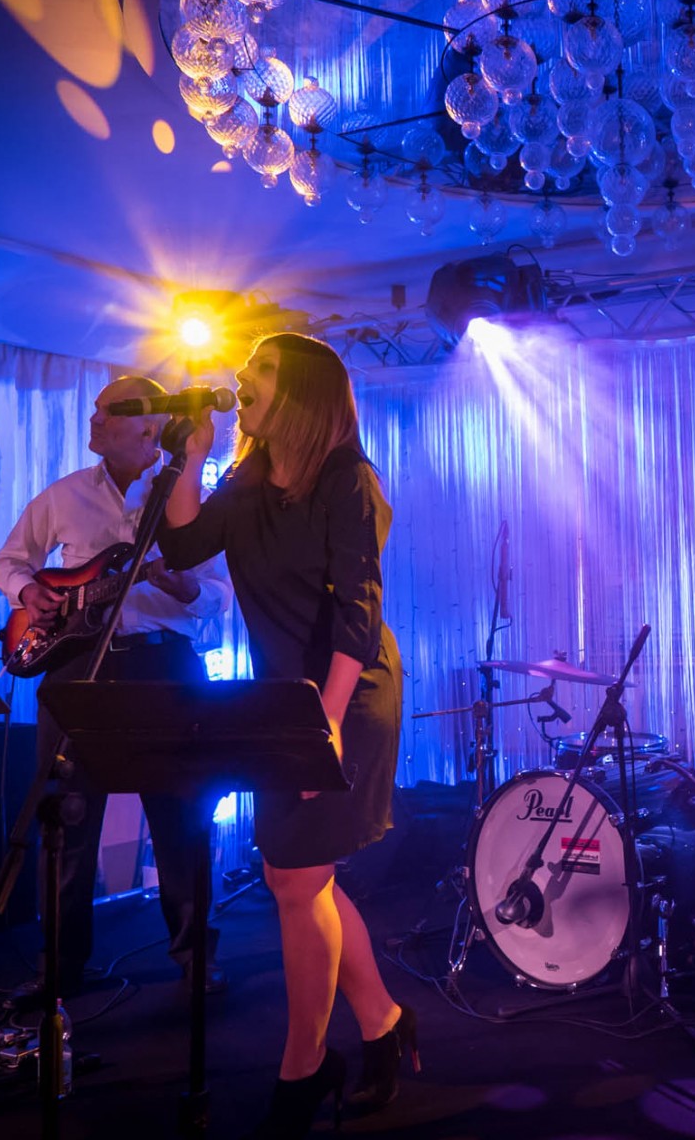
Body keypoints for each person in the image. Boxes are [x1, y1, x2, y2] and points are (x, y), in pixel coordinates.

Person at [159, 333, 412, 1136]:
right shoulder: (247, 480)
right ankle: (382, 1024)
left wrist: (325, 723)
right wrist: (191, 456)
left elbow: (357, 613)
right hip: (286, 694)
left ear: (302, 392)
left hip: (347, 692)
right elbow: (181, 544)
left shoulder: (347, 479)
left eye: (261, 370)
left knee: (298, 881)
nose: (242, 378)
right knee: (297, 879)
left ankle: (303, 1068)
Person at [0, 375, 232, 999]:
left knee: (180, 815)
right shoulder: (65, 493)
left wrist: (184, 587)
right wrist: (30, 591)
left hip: (163, 669)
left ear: (149, 428)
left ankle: (195, 959)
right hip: (78, 666)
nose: (93, 419)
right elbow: (7, 560)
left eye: (108, 413)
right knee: (65, 819)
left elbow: (219, 597)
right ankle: (59, 968)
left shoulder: (191, 500)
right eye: (95, 410)